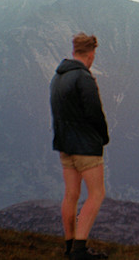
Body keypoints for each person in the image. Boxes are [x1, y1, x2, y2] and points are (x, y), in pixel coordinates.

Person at [50, 33, 110, 260]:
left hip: (65, 145)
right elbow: (95, 112)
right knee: (96, 194)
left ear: (74, 51)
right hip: (85, 146)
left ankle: (69, 244)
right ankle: (80, 248)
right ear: (91, 54)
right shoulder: (83, 78)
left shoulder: (57, 78)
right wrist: (102, 137)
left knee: (71, 194)